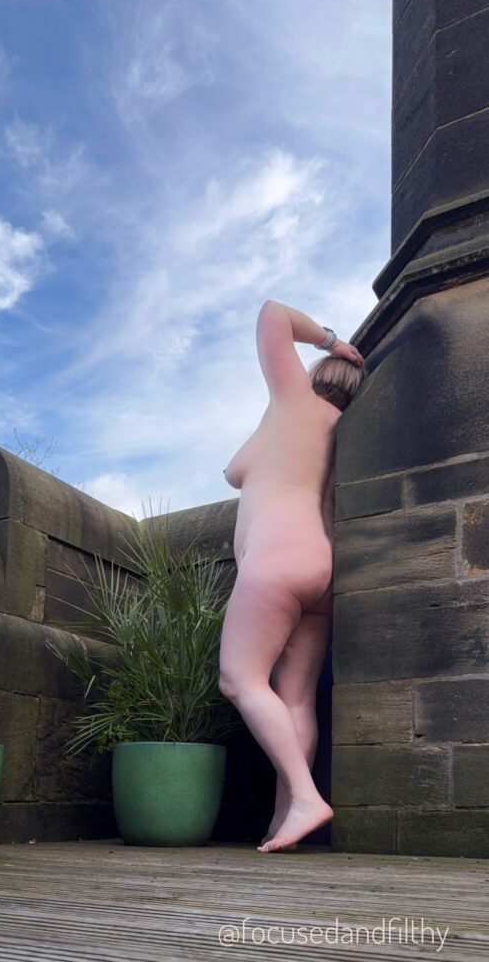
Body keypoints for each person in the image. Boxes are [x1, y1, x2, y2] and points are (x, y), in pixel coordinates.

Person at [219, 299, 368, 853]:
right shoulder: (337, 430)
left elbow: (271, 313)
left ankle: (305, 798)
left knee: (240, 678)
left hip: (276, 560)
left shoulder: (293, 400)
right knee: (296, 698)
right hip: (320, 567)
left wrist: (329, 340)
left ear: (314, 376)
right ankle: (287, 819)